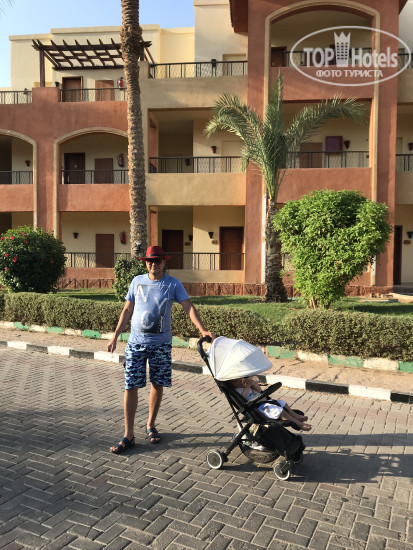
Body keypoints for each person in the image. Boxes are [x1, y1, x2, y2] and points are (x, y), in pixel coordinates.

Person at [108, 245, 215, 454]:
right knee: (130, 386)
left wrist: (202, 329)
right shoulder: (137, 281)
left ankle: (150, 424)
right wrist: (115, 336)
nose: (153, 264)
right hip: (136, 343)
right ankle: (128, 435)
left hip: (161, 344)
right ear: (145, 263)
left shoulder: (172, 284)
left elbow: (188, 307)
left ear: (164, 262)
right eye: (150, 261)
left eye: (157, 260)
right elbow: (127, 310)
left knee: (157, 384)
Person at [229, 376, 312, 431]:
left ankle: (295, 415)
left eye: (240, 379)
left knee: (282, 403)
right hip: (260, 407)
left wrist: (253, 384)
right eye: (236, 381)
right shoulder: (237, 391)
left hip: (266, 402)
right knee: (279, 411)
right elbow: (243, 399)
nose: (240, 382)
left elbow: (259, 391)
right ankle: (299, 424)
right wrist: (246, 388)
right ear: (230, 385)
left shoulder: (246, 386)